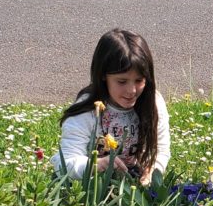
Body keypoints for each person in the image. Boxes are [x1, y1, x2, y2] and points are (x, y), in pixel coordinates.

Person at [51, 29, 170, 185]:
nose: (132, 91)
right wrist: (95, 166)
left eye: (139, 80)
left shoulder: (153, 102)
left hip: (133, 182)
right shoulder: (88, 109)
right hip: (90, 184)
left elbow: (160, 149)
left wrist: (152, 172)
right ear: (103, 75)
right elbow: (64, 163)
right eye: (122, 81)